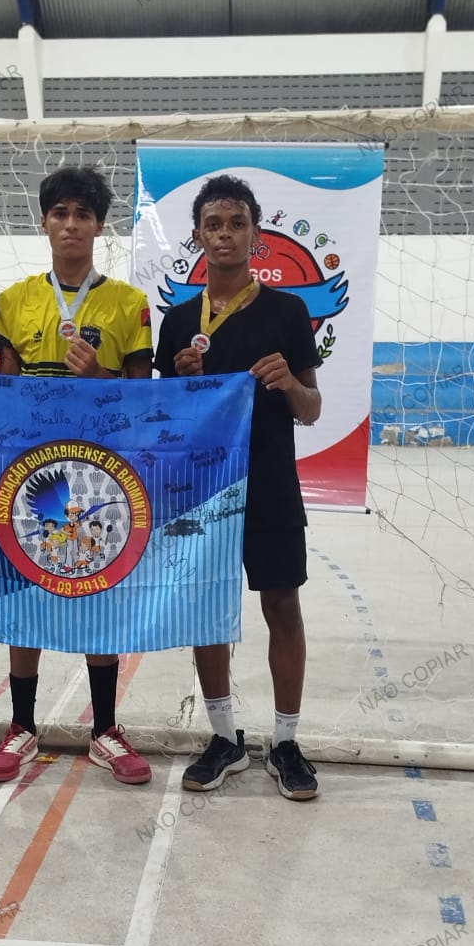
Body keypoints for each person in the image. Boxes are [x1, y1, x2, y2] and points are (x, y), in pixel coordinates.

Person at [154, 174, 322, 801]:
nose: (225, 234)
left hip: (272, 482)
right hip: (201, 490)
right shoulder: (177, 322)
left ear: (255, 232)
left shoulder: (288, 311)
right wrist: (179, 380)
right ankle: (225, 737)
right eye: (213, 224)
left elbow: (311, 409)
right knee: (206, 610)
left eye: (237, 223)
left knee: (282, 605)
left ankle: (286, 742)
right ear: (198, 234)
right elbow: (162, 419)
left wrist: (288, 382)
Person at [0, 166, 154, 787]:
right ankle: (22, 724)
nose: (70, 224)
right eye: (60, 213)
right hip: (30, 477)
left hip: (101, 478)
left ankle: (104, 727)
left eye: (82, 214)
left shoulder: (128, 304)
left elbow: (142, 403)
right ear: (45, 223)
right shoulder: (17, 300)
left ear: (99, 227)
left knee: (99, 593)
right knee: (28, 592)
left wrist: (99, 382)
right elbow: (1, 392)